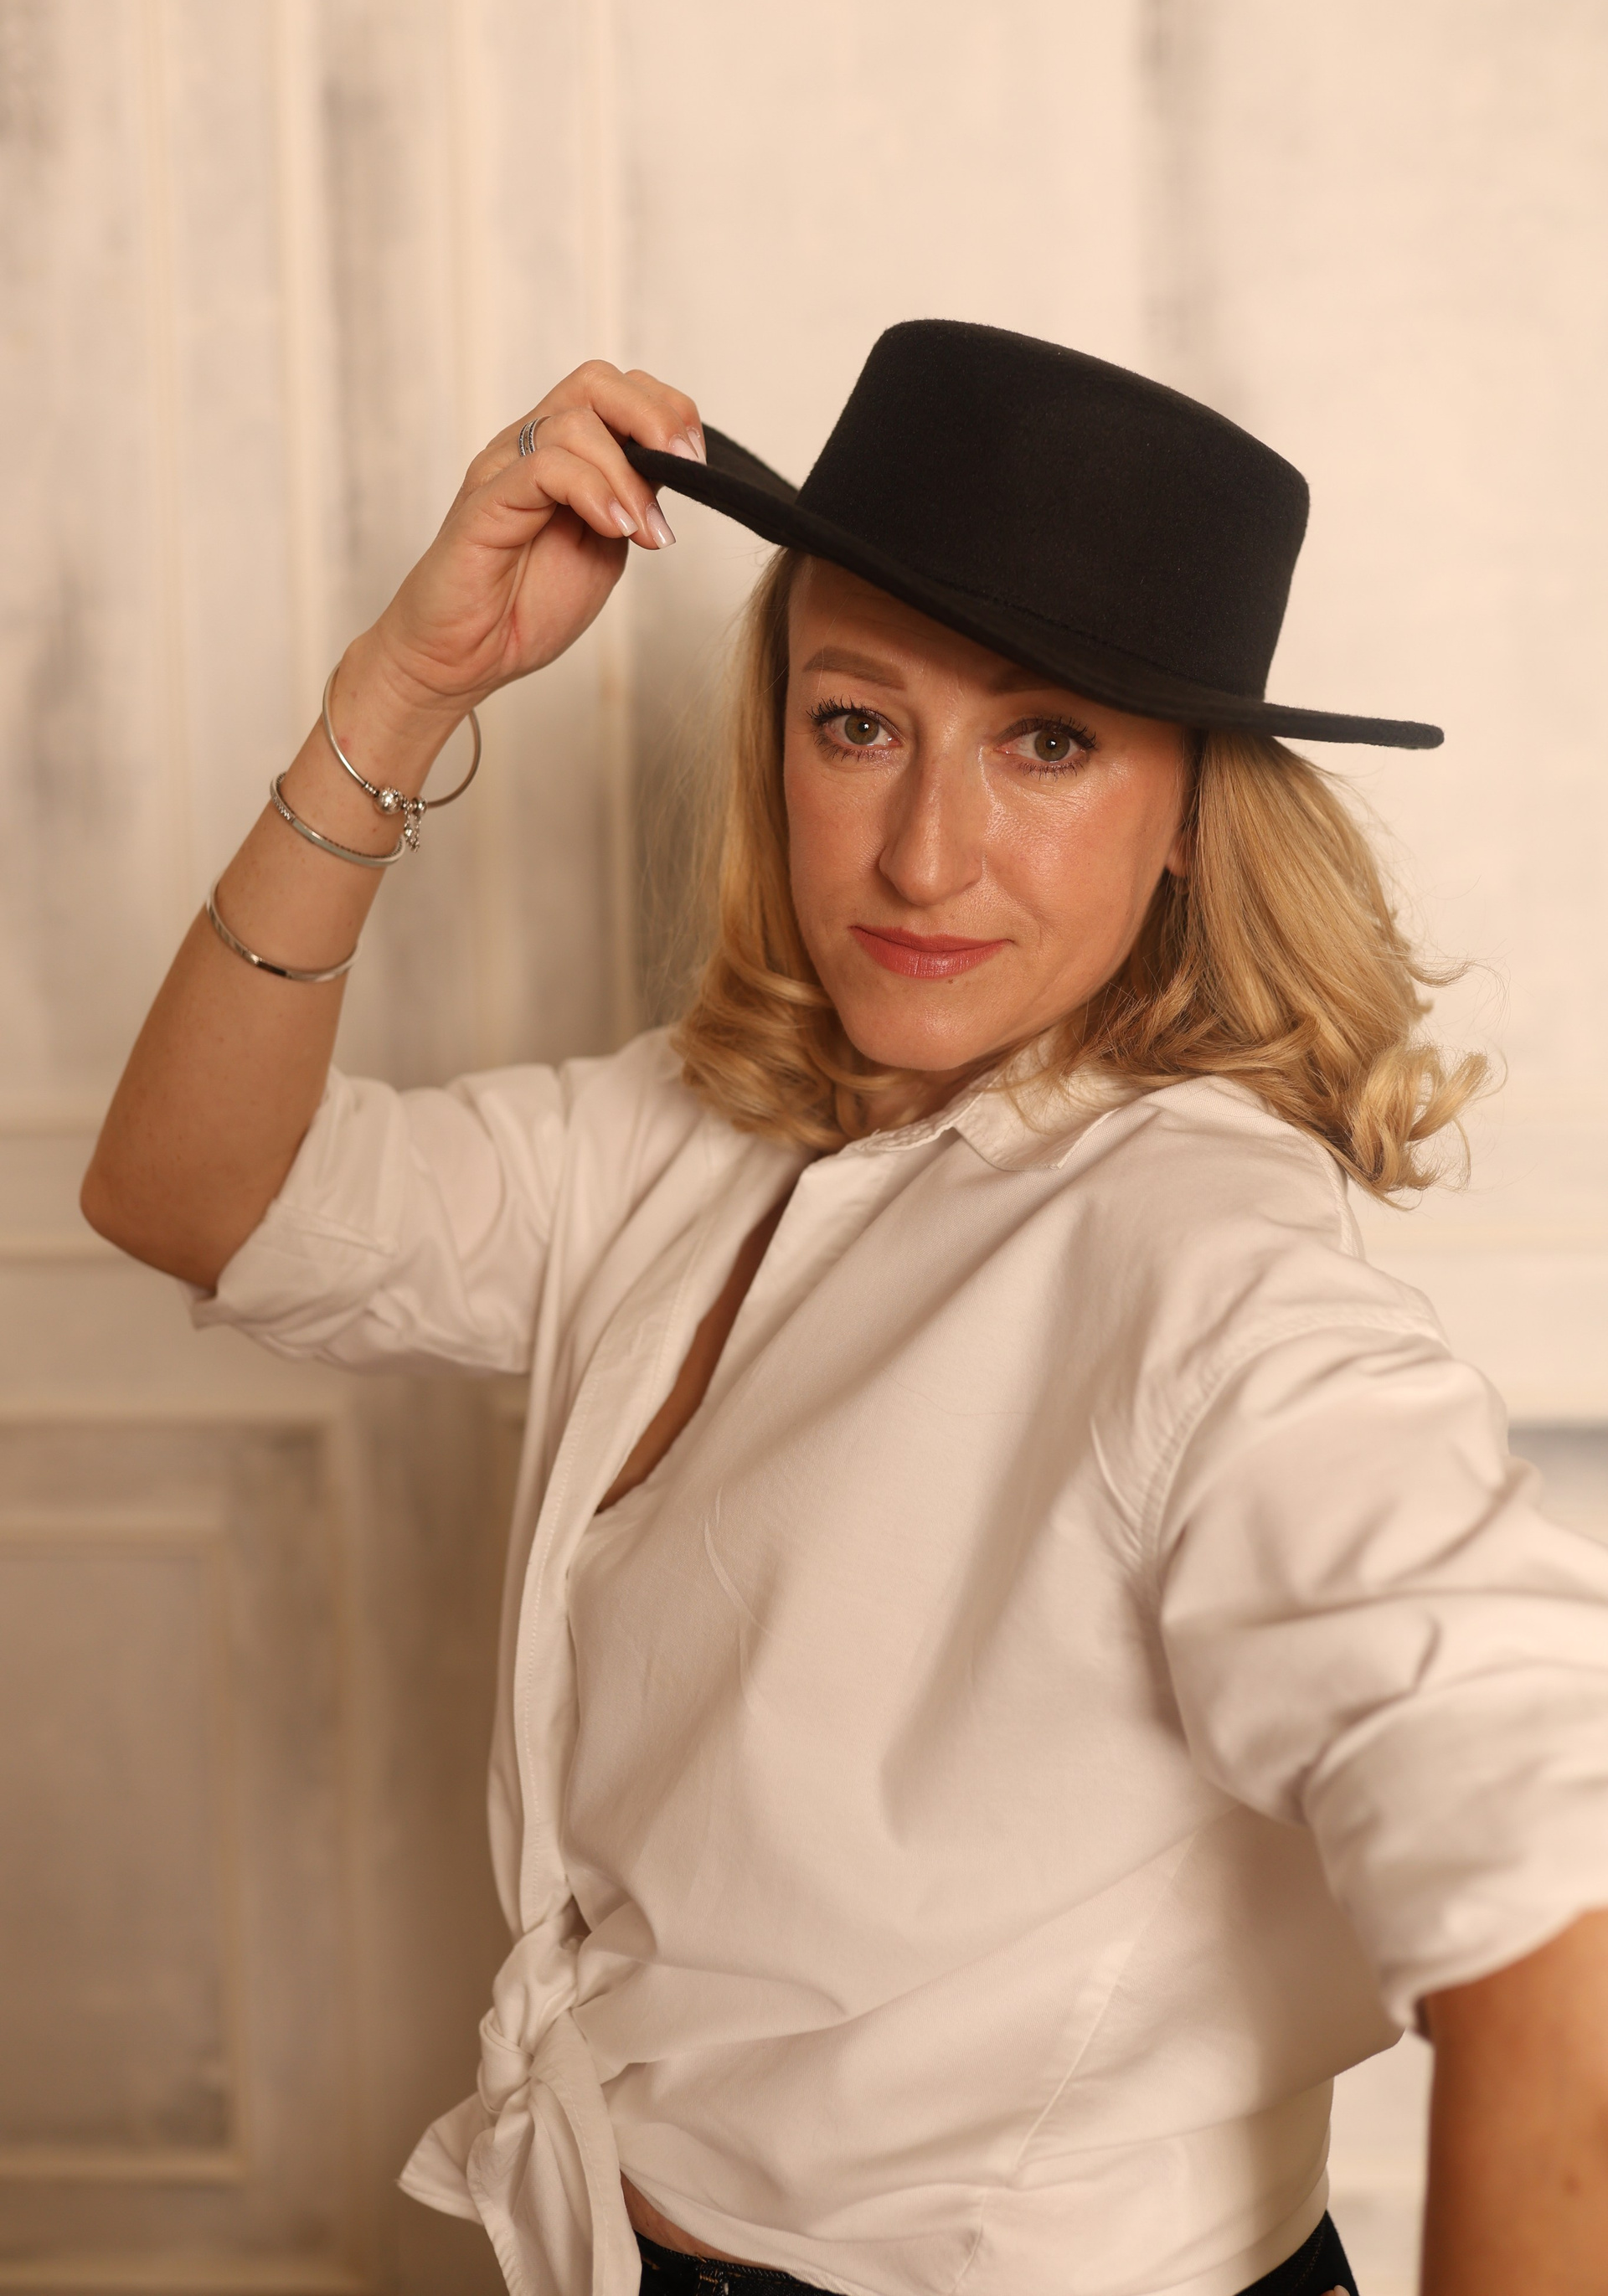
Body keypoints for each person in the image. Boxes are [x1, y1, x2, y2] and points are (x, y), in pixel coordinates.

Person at [83, 323, 1608, 2296]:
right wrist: (403, 689)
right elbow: (195, 1197)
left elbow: (1557, 1907)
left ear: (1190, 817)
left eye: (1048, 743)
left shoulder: (1200, 1260)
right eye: (859, 722)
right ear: (777, 734)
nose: (923, 854)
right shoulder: (694, 1133)